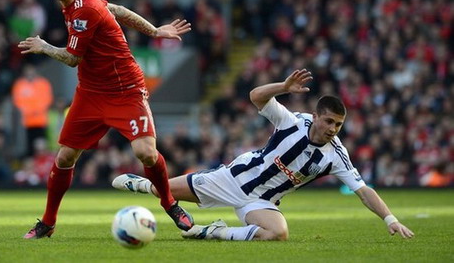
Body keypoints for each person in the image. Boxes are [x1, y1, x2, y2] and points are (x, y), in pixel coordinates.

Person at [112, 69, 415, 241]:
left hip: (261, 202)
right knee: (162, 189)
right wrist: (283, 87)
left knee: (278, 233)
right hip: (232, 178)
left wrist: (390, 218)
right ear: (316, 116)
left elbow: (363, 191)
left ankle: (212, 232)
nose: (333, 129)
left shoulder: (336, 155)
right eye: (329, 121)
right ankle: (141, 184)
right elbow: (256, 96)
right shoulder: (292, 121)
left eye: (339, 125)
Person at [19, 0, 193, 239]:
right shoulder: (78, 4)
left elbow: (72, 58)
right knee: (64, 158)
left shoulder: (85, 9)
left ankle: (169, 203)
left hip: (126, 91)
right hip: (90, 93)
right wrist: (154, 30)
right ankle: (48, 223)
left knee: (146, 153)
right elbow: (119, 9)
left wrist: (44, 46)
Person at [11, 64, 53, 157]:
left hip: (41, 120)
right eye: (28, 71)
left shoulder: (43, 83)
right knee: (29, 147)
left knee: (42, 145)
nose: (30, 73)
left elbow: (47, 99)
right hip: (26, 121)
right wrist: (29, 110)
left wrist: (36, 109)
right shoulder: (19, 84)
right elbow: (17, 101)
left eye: (31, 71)